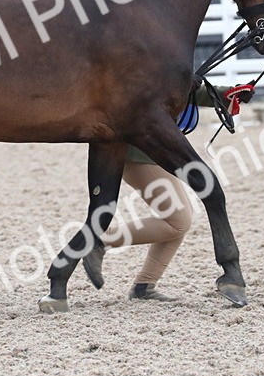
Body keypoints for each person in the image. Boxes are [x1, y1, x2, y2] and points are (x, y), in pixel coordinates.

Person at [85, 80, 255, 302]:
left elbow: (184, 89)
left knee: (179, 222)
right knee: (178, 221)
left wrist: (228, 94)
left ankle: (144, 286)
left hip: (155, 153)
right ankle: (98, 240)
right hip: (140, 154)